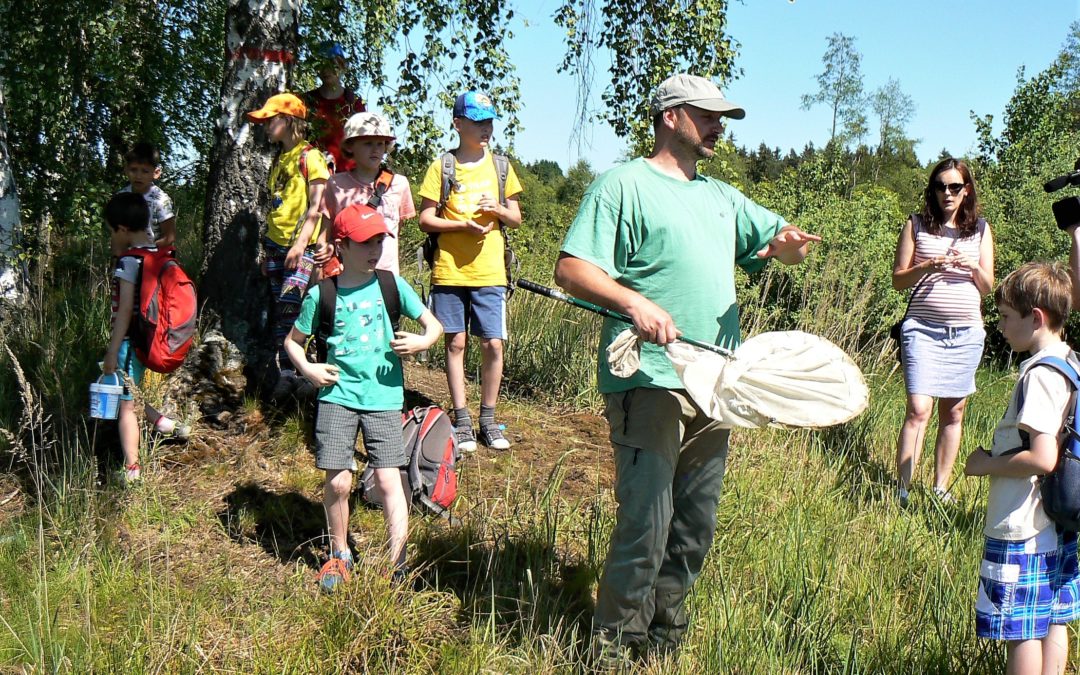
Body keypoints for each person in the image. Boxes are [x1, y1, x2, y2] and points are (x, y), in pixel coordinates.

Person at [553, 73, 819, 663]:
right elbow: (571, 269)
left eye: (721, 117)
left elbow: (775, 238)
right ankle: (614, 649)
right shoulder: (622, 186)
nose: (719, 127)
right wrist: (632, 302)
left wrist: (788, 246)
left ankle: (663, 643)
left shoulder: (721, 198)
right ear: (672, 116)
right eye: (708, 115)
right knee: (647, 523)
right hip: (648, 378)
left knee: (694, 527)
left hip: (716, 385)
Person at [284, 203, 442, 593]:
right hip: (337, 396)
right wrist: (308, 369)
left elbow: (434, 326)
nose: (374, 249)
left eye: (379, 240)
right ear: (342, 246)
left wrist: (421, 342)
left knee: (391, 480)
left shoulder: (392, 285)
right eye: (364, 242)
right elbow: (293, 343)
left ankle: (397, 562)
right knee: (338, 481)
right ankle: (339, 553)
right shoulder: (323, 294)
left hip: (385, 398)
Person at [963, 261, 1080, 674]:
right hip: (1058, 521)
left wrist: (983, 465)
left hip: (1023, 525)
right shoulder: (1071, 363)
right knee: (1053, 619)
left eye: (1005, 317)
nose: (1000, 326)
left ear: (1036, 318)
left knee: (1020, 631)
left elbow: (1043, 457)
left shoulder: (1040, 376)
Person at [417, 91, 522, 451]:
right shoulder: (441, 167)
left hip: (491, 272)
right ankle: (462, 421)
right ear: (458, 124)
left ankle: (488, 421)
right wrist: (459, 225)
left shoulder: (501, 167)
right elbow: (425, 219)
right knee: (456, 342)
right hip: (448, 271)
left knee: (493, 343)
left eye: (489, 122)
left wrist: (498, 208)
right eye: (478, 122)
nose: (486, 129)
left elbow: (516, 218)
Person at [891, 158, 994, 506]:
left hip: (966, 333)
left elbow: (988, 286)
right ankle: (902, 490)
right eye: (940, 187)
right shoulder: (916, 224)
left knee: (954, 412)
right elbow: (897, 281)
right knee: (919, 408)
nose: (947, 194)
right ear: (932, 190)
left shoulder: (979, 229)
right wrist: (929, 265)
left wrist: (972, 266)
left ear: (966, 191)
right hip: (922, 329)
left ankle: (940, 488)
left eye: (954, 187)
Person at [101, 193, 191, 485]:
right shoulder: (156, 253)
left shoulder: (129, 262)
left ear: (123, 229)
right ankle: (165, 424)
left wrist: (113, 350)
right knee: (132, 393)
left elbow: (125, 310)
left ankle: (132, 470)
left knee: (125, 407)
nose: (111, 238)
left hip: (129, 343)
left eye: (111, 231)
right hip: (150, 338)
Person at [245, 93, 330, 399]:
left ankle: (300, 374)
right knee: (280, 313)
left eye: (271, 119)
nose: (266, 125)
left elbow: (317, 206)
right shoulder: (280, 159)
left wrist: (302, 243)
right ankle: (286, 374)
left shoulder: (311, 157)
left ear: (289, 121)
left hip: (299, 250)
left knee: (293, 311)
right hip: (275, 247)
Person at [320, 112, 415, 275]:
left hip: (387, 278)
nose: (375, 150)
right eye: (368, 143)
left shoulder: (399, 184)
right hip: (346, 278)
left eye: (380, 144)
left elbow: (396, 231)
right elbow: (325, 235)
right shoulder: (335, 184)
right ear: (350, 146)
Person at [304, 41, 365, 173]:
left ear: (342, 66)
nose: (326, 70)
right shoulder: (307, 101)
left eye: (332, 64)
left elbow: (364, 142)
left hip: (348, 179)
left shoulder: (353, 104)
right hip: (314, 176)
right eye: (321, 65)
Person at [117, 142, 176, 248]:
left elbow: (169, 237)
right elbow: (116, 234)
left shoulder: (160, 200)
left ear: (156, 173)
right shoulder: (120, 198)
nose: (138, 176)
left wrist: (147, 248)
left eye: (145, 171)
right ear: (126, 169)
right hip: (127, 256)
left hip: (156, 255)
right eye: (134, 170)